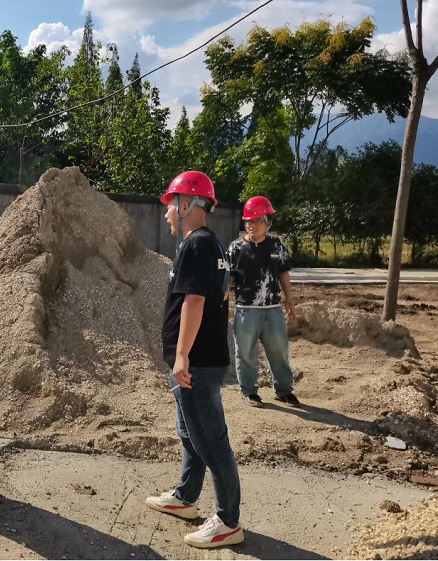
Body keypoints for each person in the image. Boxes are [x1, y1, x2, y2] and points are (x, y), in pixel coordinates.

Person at [145, 171, 244, 549]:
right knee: (190, 433)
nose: (167, 213)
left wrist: (183, 355)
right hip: (201, 360)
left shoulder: (196, 245)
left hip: (197, 363)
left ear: (186, 204)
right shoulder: (211, 245)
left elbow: (195, 301)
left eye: (170, 205)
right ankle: (186, 497)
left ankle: (228, 521)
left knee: (210, 441)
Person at [226, 196, 300, 407]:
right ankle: (249, 391)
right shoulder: (236, 248)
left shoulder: (276, 245)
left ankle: (284, 390)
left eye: (257, 220)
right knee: (245, 354)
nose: (252, 225)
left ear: (268, 222)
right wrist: (222, 299)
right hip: (246, 310)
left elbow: (283, 272)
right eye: (249, 220)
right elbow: (228, 277)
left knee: (279, 352)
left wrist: (289, 299)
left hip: (273, 310)